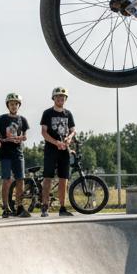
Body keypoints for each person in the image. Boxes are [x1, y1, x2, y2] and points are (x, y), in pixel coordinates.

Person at [40, 87, 76, 217]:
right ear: (53, 98)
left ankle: (62, 207)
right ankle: (45, 206)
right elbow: (44, 132)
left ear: (65, 99)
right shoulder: (47, 113)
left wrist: (69, 138)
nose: (60, 98)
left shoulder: (68, 114)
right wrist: (56, 142)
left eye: (63, 97)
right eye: (58, 96)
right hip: (51, 149)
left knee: (63, 179)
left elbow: (73, 130)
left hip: (64, 150)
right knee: (48, 177)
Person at [0, 92, 30, 218]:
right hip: (5, 153)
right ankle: (6, 207)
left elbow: (25, 136)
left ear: (19, 105)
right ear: (8, 105)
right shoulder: (2, 119)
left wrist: (21, 138)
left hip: (18, 152)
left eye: (16, 104)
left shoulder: (22, 120)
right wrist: (2, 140)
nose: (14, 106)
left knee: (20, 179)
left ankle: (19, 206)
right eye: (11, 104)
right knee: (7, 180)